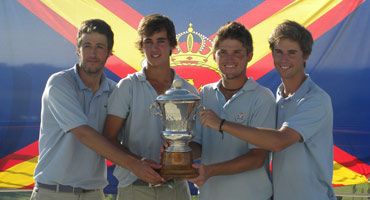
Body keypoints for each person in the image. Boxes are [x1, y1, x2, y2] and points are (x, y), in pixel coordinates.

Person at [199, 20, 336, 200]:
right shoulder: (279, 98)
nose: (284, 59)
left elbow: (278, 141)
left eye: (292, 53)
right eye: (278, 52)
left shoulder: (316, 100)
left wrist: (222, 124)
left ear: (306, 55)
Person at [31, 19, 152, 200]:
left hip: (94, 194)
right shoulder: (59, 83)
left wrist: (145, 162)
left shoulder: (113, 91)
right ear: (78, 49)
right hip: (53, 192)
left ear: (109, 52)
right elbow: (82, 133)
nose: (93, 53)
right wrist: (135, 165)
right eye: (87, 46)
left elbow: (121, 140)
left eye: (100, 47)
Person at [103, 14, 196, 200]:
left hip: (176, 188)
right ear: (141, 46)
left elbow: (197, 143)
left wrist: (178, 160)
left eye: (161, 41)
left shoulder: (188, 91)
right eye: (148, 41)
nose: (154, 48)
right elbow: (108, 139)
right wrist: (138, 164)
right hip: (134, 188)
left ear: (172, 45)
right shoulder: (127, 86)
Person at [187, 22, 275, 200]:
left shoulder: (262, 97)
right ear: (214, 56)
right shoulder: (204, 94)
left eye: (237, 53)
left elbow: (257, 157)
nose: (229, 59)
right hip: (210, 195)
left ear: (249, 56)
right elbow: (199, 144)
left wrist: (211, 170)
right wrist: (178, 153)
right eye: (223, 53)